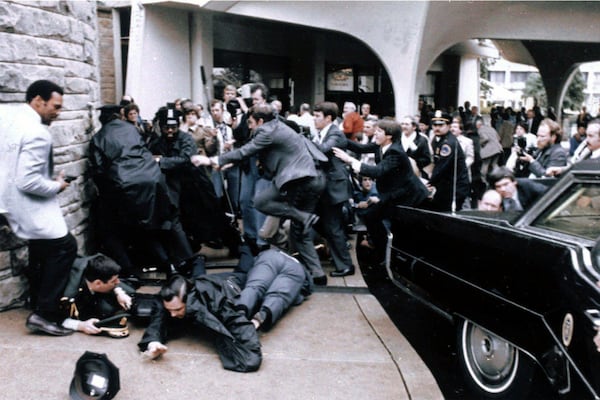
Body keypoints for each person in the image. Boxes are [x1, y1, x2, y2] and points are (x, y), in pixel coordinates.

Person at [192, 104, 327, 284]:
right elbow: (254, 153)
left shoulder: (266, 131)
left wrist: (212, 160)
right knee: (299, 231)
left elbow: (246, 150)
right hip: (314, 179)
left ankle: (302, 216)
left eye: (250, 122)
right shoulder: (278, 127)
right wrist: (230, 163)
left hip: (299, 180)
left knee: (261, 201)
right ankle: (318, 274)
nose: (249, 126)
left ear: (260, 121)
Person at [89, 104, 206, 278]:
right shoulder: (131, 129)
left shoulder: (99, 137)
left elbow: (98, 169)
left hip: (126, 184)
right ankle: (187, 260)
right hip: (153, 179)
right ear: (119, 115)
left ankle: (167, 265)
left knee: (143, 227)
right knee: (170, 220)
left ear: (102, 120)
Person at [0, 80, 76, 336]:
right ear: (38, 101)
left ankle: (38, 300)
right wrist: (57, 186)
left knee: (41, 246)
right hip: (24, 201)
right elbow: (28, 180)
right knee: (65, 246)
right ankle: (44, 314)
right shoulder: (38, 132)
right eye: (55, 106)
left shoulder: (8, 115)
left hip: (5, 198)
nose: (58, 112)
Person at [334, 119, 430, 264]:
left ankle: (393, 256)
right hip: (395, 193)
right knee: (372, 216)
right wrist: (340, 139)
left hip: (410, 196)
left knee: (402, 228)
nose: (375, 133)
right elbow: (360, 148)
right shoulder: (381, 145)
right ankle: (384, 252)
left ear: (389, 136)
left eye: (379, 131)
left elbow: (377, 171)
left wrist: (348, 159)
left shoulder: (395, 152)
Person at [138, 273, 262, 372]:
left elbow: (236, 322)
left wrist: (250, 354)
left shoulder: (213, 298)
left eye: (178, 309)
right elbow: (157, 322)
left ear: (188, 301)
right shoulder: (165, 298)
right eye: (169, 310)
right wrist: (152, 343)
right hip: (211, 281)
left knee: (260, 278)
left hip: (234, 282)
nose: (173, 315)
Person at [312, 101, 355, 278]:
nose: (314, 120)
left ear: (328, 118)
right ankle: (339, 251)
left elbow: (322, 150)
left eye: (317, 116)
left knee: (332, 226)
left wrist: (304, 142)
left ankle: (345, 264)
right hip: (326, 188)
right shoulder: (324, 132)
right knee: (323, 223)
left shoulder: (335, 133)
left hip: (334, 188)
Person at [235, 248, 312, 331]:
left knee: (255, 286)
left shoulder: (273, 251)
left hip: (271, 256)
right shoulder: (303, 269)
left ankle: (239, 313)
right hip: (296, 268)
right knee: (279, 295)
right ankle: (261, 317)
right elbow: (301, 294)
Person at [60, 254, 133, 337]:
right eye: (114, 281)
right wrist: (81, 325)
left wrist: (119, 292)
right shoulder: (69, 294)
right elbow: (51, 317)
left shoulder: (92, 266)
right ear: (98, 283)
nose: (118, 282)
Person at [427, 110, 470, 212]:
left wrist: (429, 183)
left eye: (441, 125)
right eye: (434, 125)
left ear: (449, 125)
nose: (437, 128)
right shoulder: (438, 139)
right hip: (446, 186)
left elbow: (441, 167)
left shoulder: (448, 143)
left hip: (454, 188)